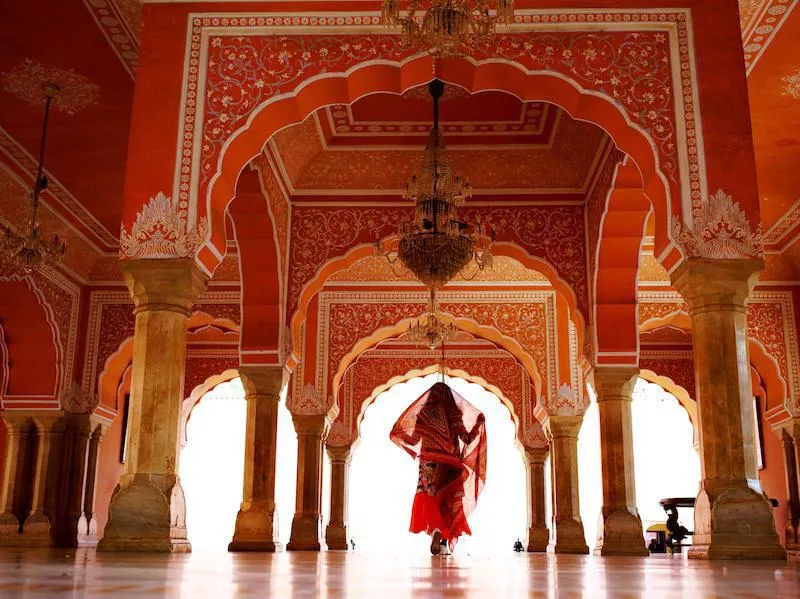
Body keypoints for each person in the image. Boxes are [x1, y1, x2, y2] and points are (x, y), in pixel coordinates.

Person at [390, 382, 487, 556]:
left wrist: (399, 434)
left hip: (428, 464)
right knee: (448, 501)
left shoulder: (424, 415)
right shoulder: (453, 414)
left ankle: (436, 531)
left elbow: (413, 441)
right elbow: (465, 438)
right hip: (450, 464)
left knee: (430, 497)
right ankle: (442, 540)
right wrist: (478, 425)